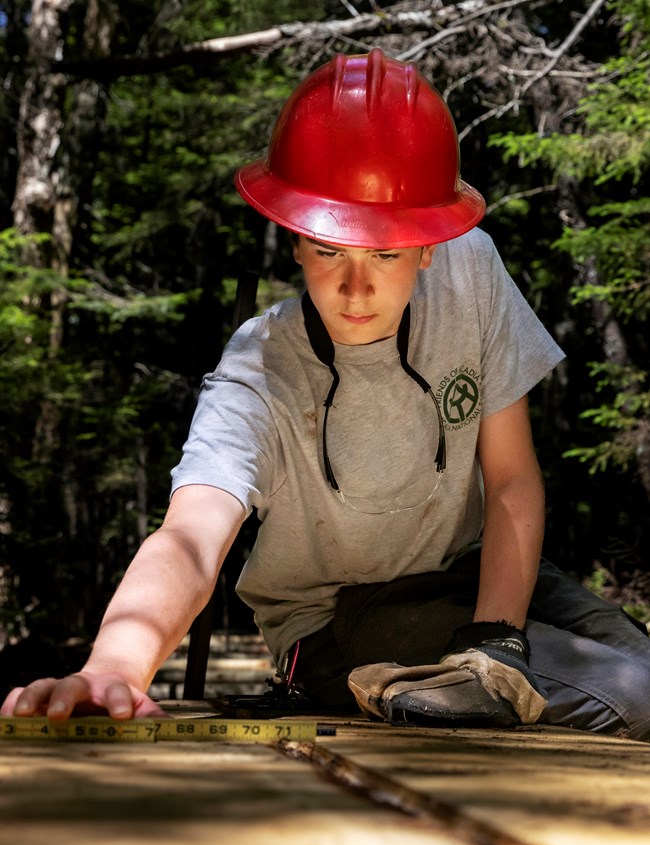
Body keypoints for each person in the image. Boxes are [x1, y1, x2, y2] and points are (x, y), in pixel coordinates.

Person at [3, 50, 649, 737]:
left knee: (641, 663)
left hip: (470, 569)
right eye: (330, 248)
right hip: (334, 616)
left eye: (387, 254)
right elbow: (190, 538)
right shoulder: (259, 370)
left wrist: (495, 646)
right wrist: (115, 666)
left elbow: (513, 480)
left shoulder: (473, 275)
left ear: (430, 246)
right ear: (295, 237)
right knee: (634, 697)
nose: (356, 289)